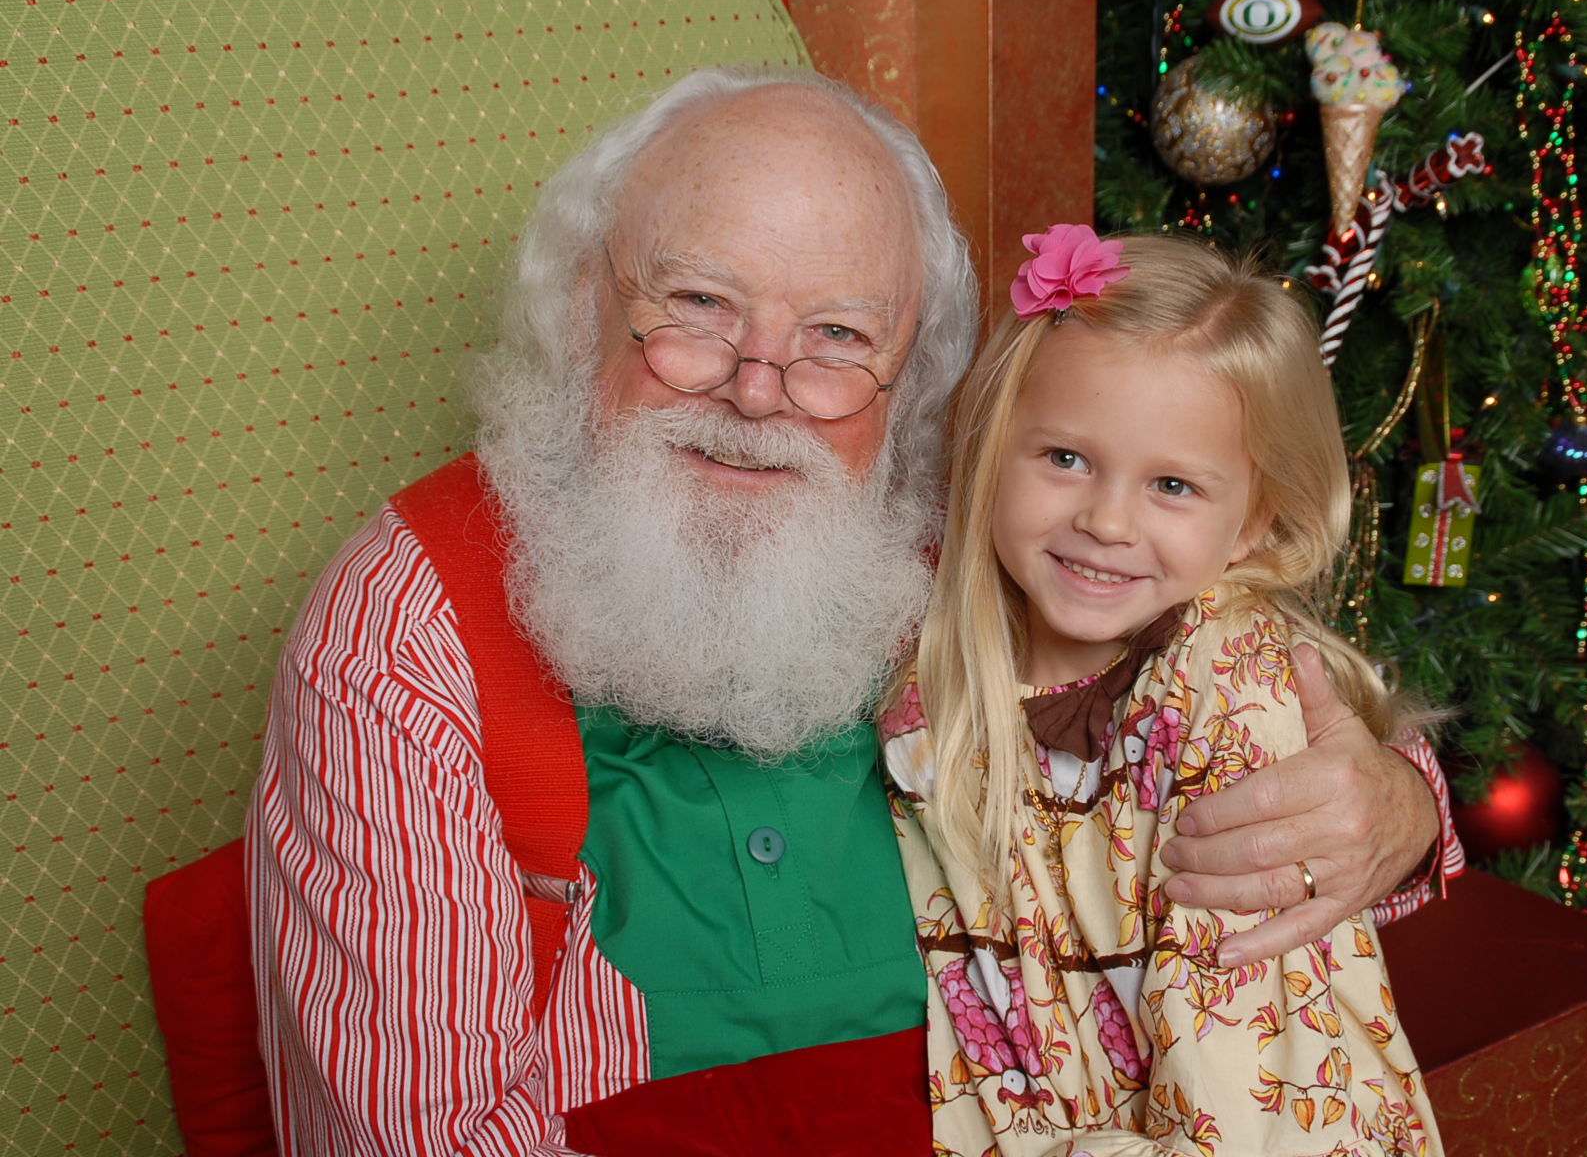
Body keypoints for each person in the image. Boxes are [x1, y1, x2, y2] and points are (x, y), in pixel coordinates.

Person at [247, 67, 1458, 1155]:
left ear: (911, 372)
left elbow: (1217, 715)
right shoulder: (403, 628)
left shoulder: (979, 549)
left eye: (835, 335)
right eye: (698, 304)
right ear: (581, 310)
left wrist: (1401, 812)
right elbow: (422, 1136)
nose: (757, 389)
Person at [880, 229, 1441, 1154]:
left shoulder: (1229, 689)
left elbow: (1250, 1073)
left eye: (1173, 484)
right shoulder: (936, 667)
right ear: (990, 446)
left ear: (1252, 520)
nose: (1106, 521)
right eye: (1065, 457)